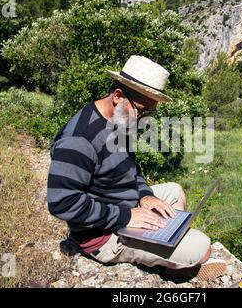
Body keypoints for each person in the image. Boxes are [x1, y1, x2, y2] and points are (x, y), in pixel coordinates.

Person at [47, 55, 226, 280]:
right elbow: (61, 203)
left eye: (150, 113)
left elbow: (130, 170)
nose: (144, 120)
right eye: (142, 111)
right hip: (103, 234)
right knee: (203, 248)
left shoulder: (119, 122)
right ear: (118, 96)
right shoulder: (79, 139)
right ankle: (170, 262)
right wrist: (125, 217)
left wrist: (144, 195)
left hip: (122, 205)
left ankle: (164, 242)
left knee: (174, 190)